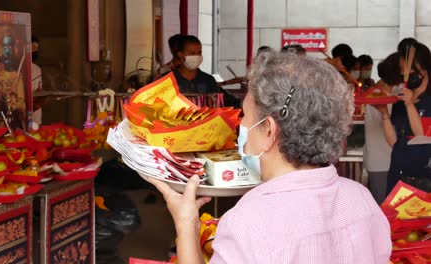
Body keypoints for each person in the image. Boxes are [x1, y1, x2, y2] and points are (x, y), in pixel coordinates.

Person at [149, 51, 391, 263]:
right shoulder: (361, 199)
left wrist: (186, 225)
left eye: (245, 115)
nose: (241, 125)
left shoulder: (249, 221)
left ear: (269, 131)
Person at [375, 43, 431, 193]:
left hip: (424, 178)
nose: (407, 74)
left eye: (411, 69)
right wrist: (384, 114)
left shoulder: (424, 100)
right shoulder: (401, 99)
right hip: (398, 174)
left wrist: (410, 105)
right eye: (403, 70)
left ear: (425, 68)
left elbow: (422, 136)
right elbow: (394, 142)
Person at [363, 55, 395, 204]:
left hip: (376, 161)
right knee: (386, 209)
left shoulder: (373, 94)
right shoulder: (388, 99)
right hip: (385, 162)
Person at [31, 36, 43, 130]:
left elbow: (39, 90)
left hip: (34, 111)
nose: (34, 51)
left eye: (36, 49)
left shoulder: (37, 69)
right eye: (32, 48)